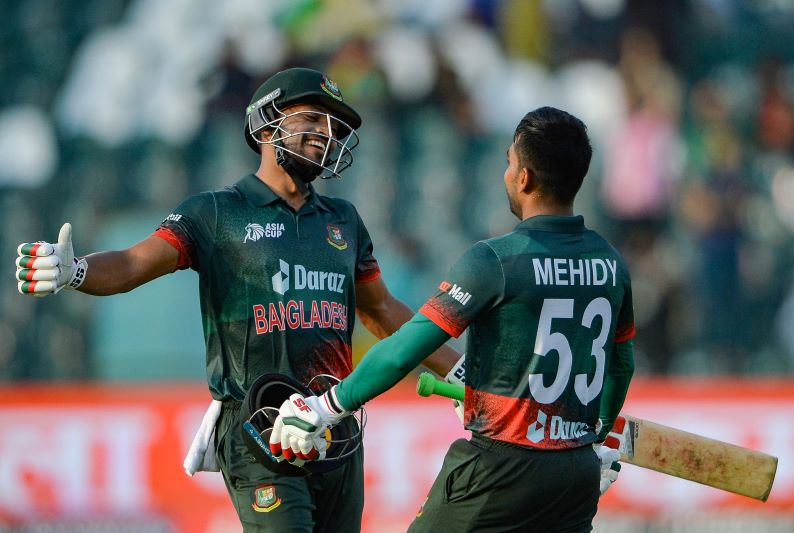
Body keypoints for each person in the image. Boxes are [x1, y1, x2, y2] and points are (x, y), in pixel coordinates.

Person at [15, 67, 463, 532]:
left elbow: (382, 310)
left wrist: (457, 370)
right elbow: (132, 264)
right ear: (266, 125)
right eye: (312, 117)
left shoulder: (344, 219)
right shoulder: (216, 212)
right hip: (258, 424)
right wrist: (77, 270)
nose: (326, 134)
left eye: (334, 125)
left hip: (334, 423)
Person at [269, 106, 636, 532]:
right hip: (575, 474)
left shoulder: (496, 260)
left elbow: (405, 350)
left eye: (509, 163)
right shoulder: (611, 263)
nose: (505, 174)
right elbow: (620, 366)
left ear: (524, 178)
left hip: (501, 468)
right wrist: (597, 438)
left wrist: (327, 405)